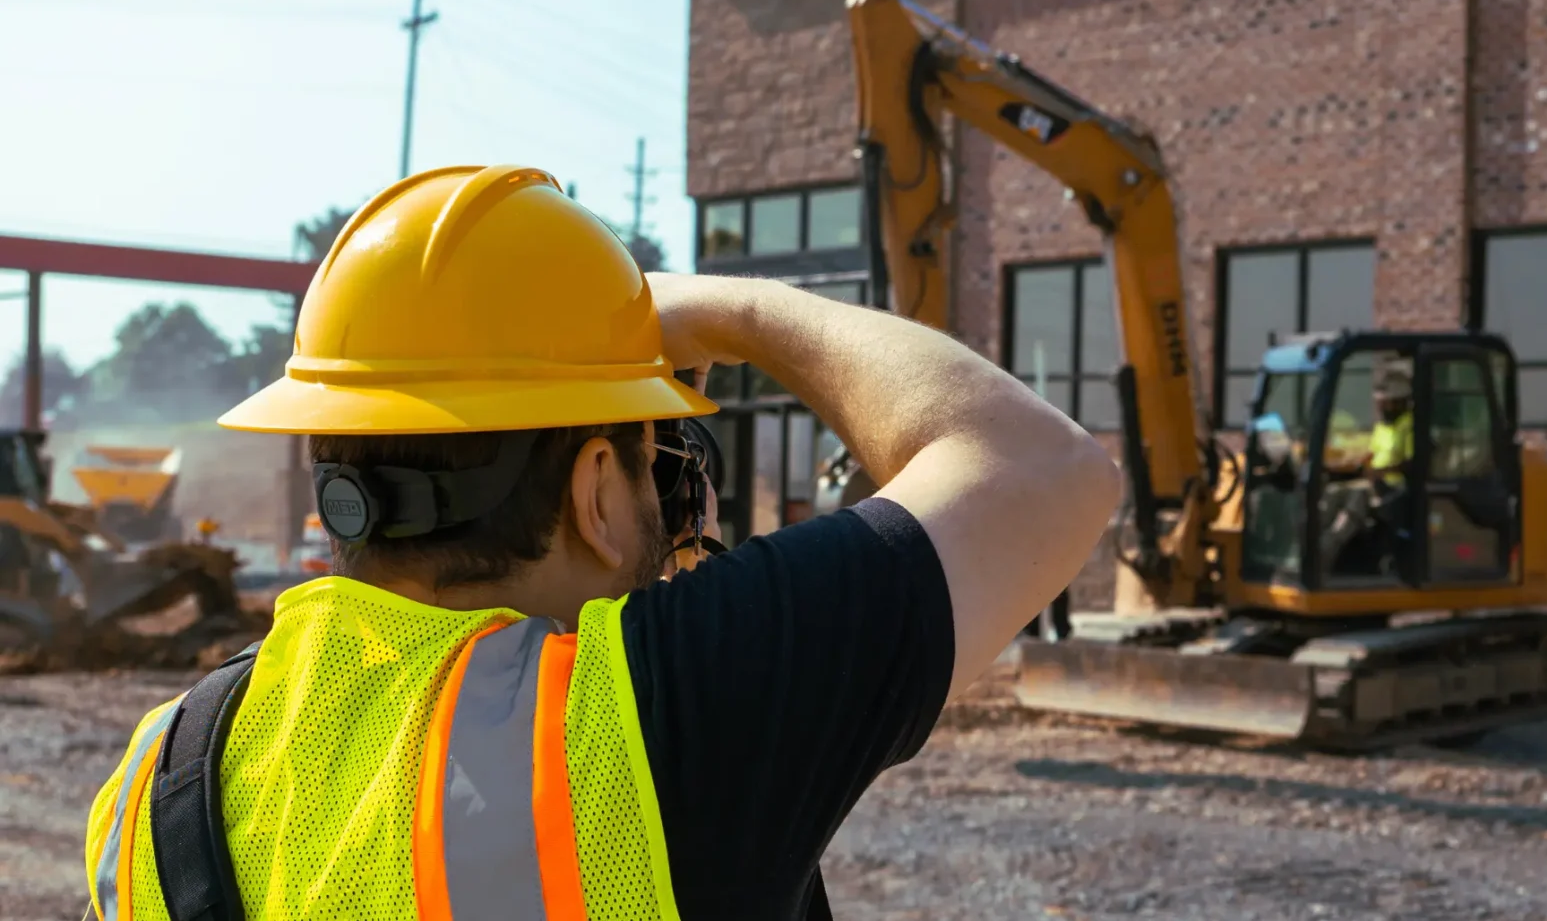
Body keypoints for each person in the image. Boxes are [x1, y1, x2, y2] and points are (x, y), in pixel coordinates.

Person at [82, 165, 1120, 921]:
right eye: (653, 462)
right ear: (594, 492)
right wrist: (735, 309)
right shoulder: (647, 714)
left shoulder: (154, 775)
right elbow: (1047, 469)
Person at [1319, 364, 1413, 573]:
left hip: (1395, 490)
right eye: (1379, 403)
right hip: (1374, 483)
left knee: (1356, 497)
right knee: (1334, 492)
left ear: (1398, 402)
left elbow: (1412, 464)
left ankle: (1330, 547)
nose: (1380, 408)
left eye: (1384, 403)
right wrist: (1355, 462)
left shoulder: (1410, 425)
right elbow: (1373, 452)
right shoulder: (1383, 426)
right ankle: (1313, 537)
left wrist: (1381, 472)